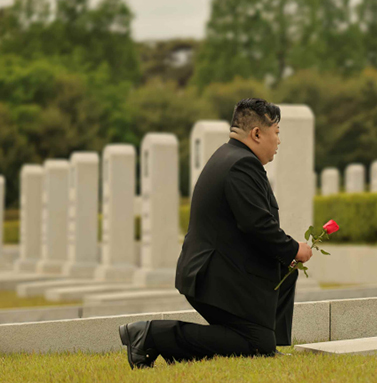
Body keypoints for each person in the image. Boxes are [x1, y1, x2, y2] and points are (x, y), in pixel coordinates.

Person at [119, 98, 313, 369]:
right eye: (276, 133)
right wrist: (295, 249)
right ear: (257, 134)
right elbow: (257, 225)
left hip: (219, 272)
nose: (279, 141)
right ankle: (150, 334)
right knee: (253, 345)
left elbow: (248, 227)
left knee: (281, 282)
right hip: (212, 277)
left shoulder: (231, 156)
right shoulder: (241, 165)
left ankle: (268, 344)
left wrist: (286, 255)